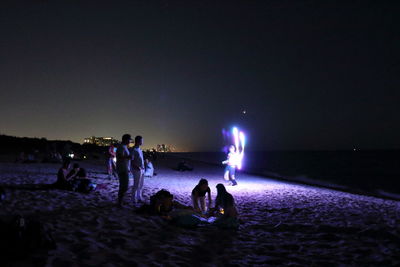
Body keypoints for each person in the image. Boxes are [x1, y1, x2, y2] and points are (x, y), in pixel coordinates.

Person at [116, 134, 132, 207]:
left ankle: (120, 202)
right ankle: (119, 202)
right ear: (125, 139)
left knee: (123, 186)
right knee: (124, 186)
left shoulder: (124, 146)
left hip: (125, 168)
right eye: (129, 139)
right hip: (122, 169)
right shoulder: (121, 147)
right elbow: (119, 157)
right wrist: (128, 156)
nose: (130, 141)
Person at [131, 135, 145, 203]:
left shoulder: (140, 149)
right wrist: (137, 167)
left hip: (142, 169)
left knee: (141, 184)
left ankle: (139, 197)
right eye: (142, 140)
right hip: (137, 169)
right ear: (138, 141)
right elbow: (132, 160)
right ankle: (133, 199)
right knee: (136, 185)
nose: (143, 141)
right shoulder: (133, 149)